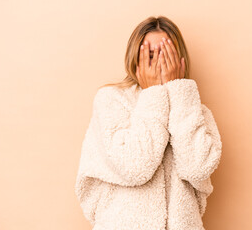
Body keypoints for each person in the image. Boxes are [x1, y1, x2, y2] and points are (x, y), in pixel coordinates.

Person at [74, 15, 223, 230]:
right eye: (150, 55)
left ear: (180, 60)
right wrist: (154, 93)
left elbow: (197, 169)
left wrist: (179, 92)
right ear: (135, 59)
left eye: (167, 54)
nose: (159, 63)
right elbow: (135, 167)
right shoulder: (111, 99)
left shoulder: (193, 110)